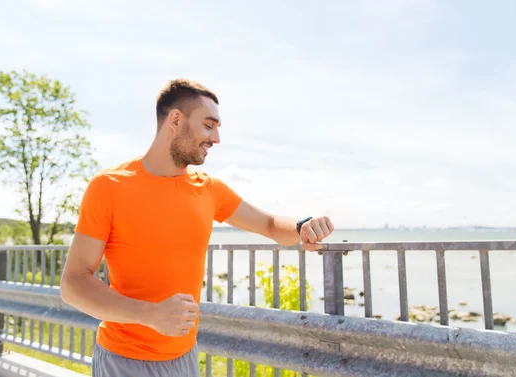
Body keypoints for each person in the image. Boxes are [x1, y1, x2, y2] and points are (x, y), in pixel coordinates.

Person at [60, 79, 335, 377]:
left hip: (185, 359)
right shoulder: (109, 187)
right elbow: (74, 284)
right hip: (123, 361)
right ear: (176, 119)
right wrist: (150, 315)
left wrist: (302, 226)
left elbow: (270, 225)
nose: (216, 138)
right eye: (208, 125)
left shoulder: (209, 190)